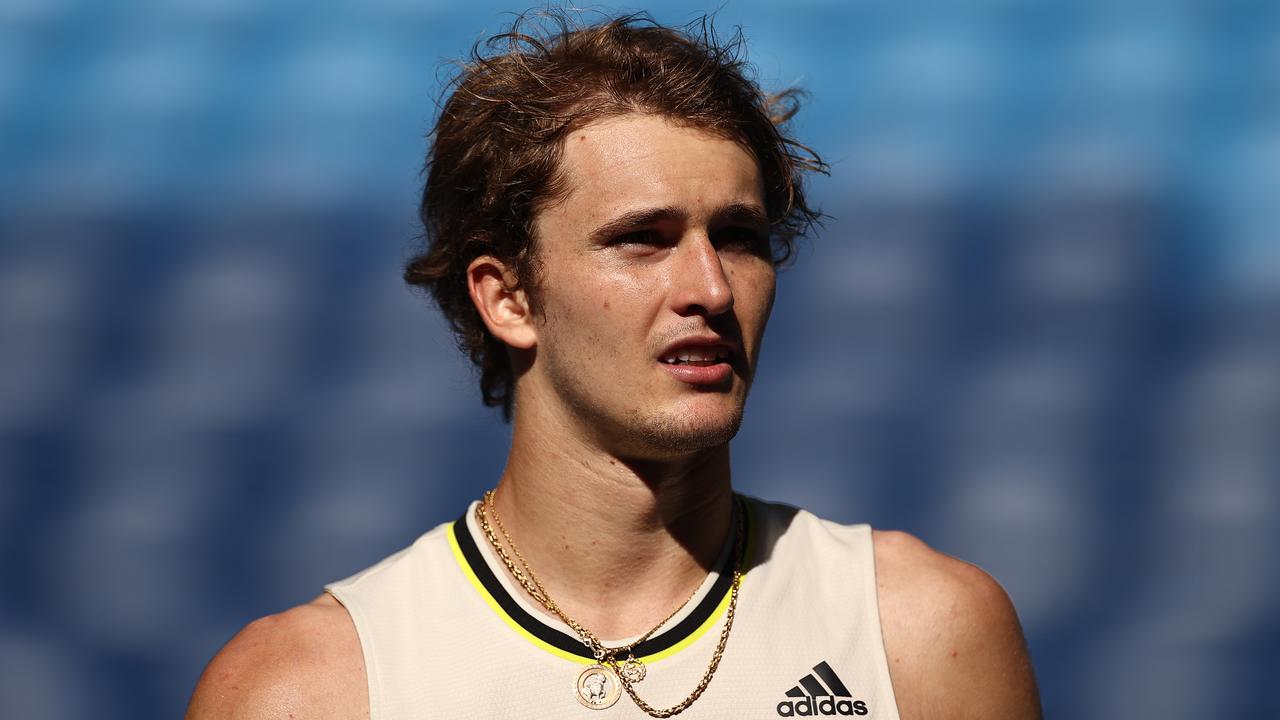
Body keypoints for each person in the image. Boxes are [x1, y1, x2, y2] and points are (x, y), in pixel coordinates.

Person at [187, 11, 1042, 719]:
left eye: (739, 239)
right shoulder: (310, 690)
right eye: (643, 238)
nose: (710, 286)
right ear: (508, 298)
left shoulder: (919, 635)